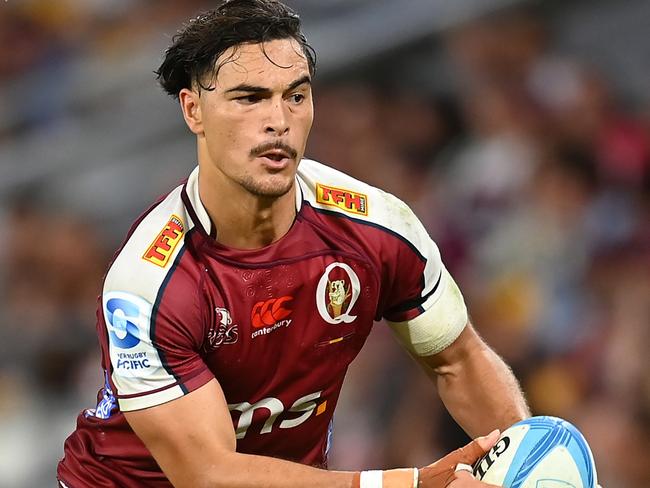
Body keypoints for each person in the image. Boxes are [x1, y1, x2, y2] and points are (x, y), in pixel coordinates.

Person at [57, 1, 530, 486]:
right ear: (193, 110)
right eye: (250, 98)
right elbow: (209, 475)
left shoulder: (379, 229)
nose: (278, 120)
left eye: (296, 96)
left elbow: (459, 359)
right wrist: (406, 484)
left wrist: (528, 457)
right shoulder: (150, 282)